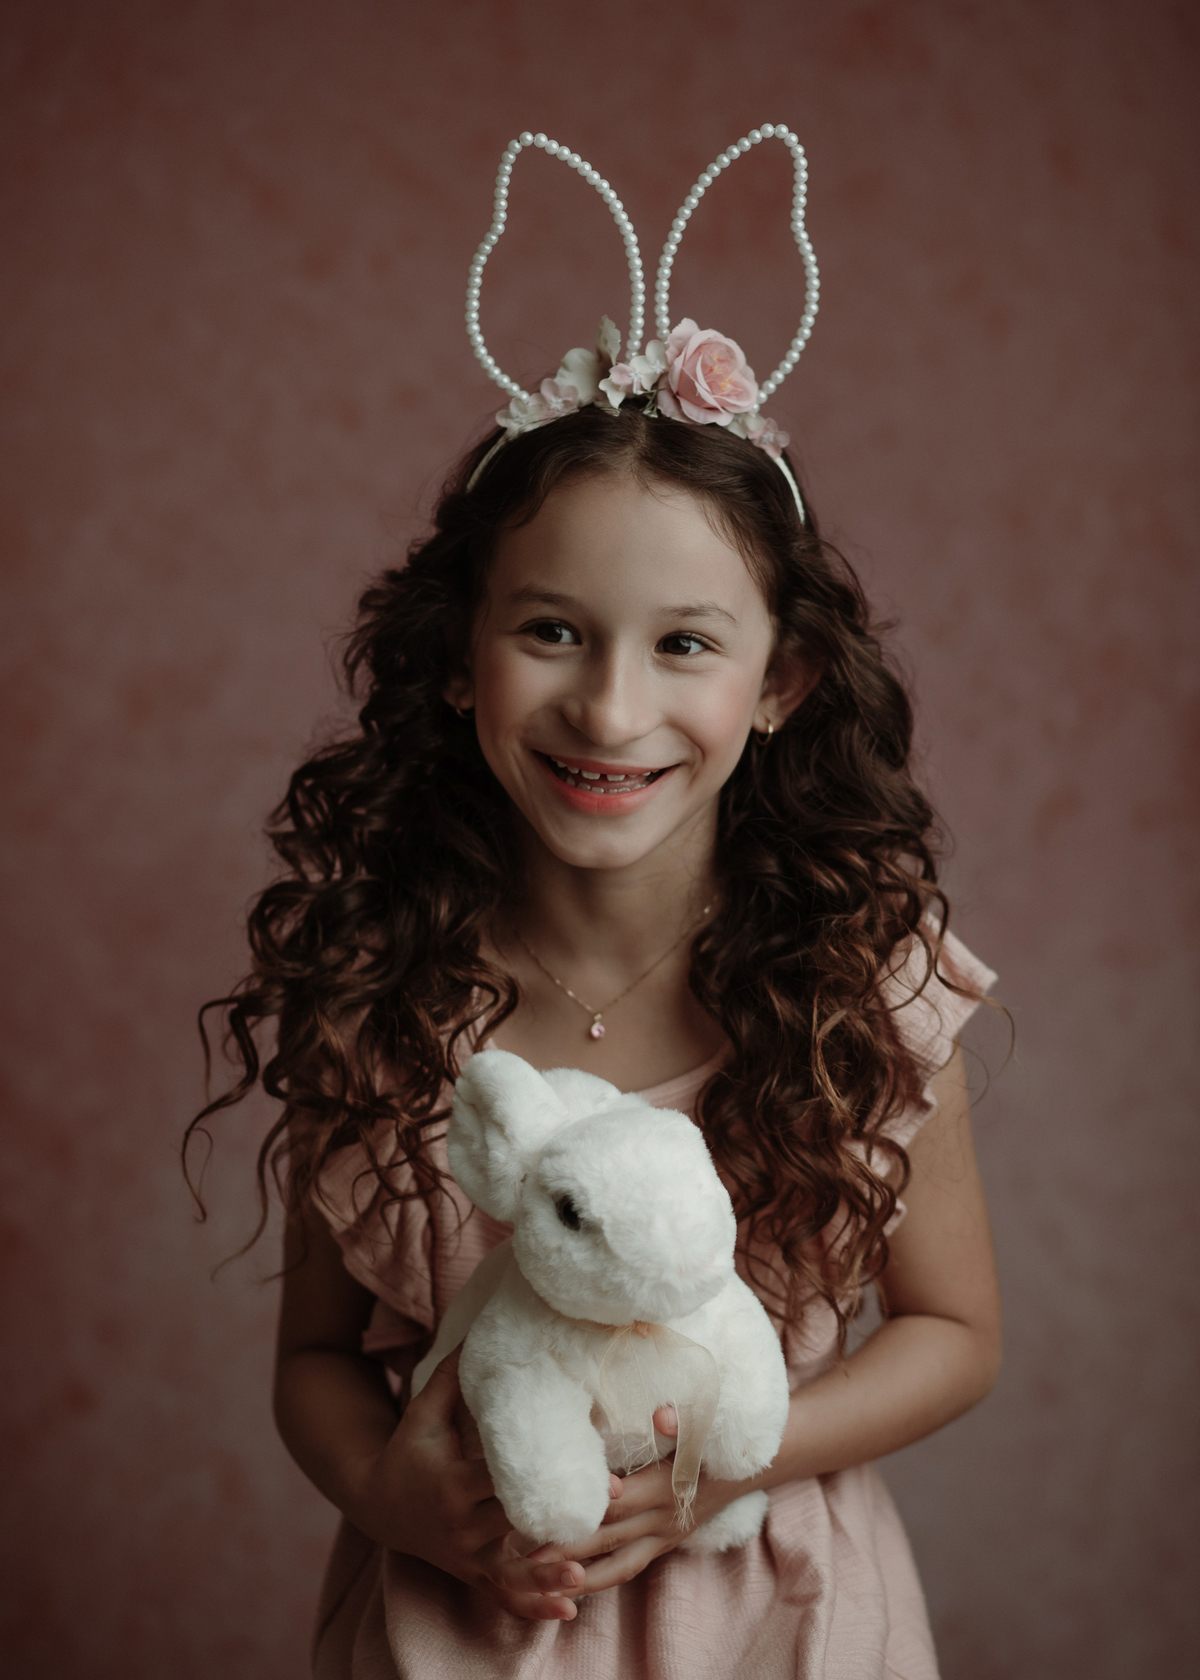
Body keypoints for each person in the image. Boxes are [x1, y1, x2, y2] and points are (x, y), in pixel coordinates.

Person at [192, 130, 1002, 1679]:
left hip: (783, 1622)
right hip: (457, 1631)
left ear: (783, 681)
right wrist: (390, 1492)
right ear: (459, 657)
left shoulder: (864, 985)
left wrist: (730, 1456)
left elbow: (957, 1334)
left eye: (685, 643)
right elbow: (315, 1362)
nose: (611, 710)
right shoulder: (384, 993)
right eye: (553, 631)